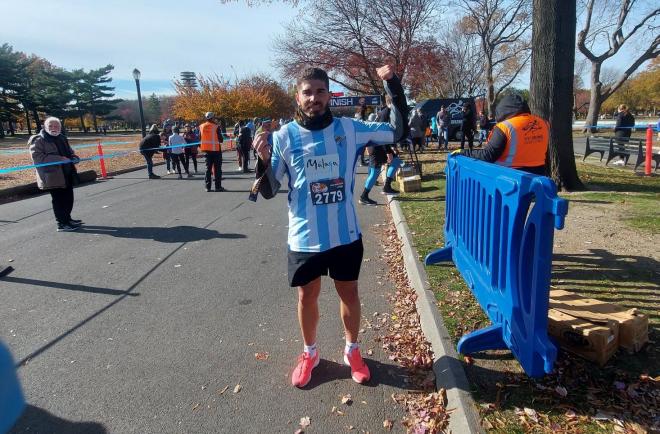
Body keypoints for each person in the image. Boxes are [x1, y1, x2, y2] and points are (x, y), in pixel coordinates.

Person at [252, 65, 408, 388]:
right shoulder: (285, 137)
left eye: (320, 91)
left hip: (344, 235)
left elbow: (398, 130)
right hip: (305, 238)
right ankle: (310, 353)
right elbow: (268, 190)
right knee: (306, 297)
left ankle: (353, 350)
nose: (314, 98)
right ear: (298, 96)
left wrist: (392, 83)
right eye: (307, 92)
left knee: (348, 292)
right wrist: (264, 160)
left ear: (329, 95)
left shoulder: (350, 129)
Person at [459, 94, 548, 175]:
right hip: (539, 175)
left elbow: (487, 155)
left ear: (503, 110)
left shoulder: (505, 127)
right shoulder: (544, 123)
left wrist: (463, 152)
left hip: (511, 178)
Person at [28, 117, 83, 232]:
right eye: (51, 126)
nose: (54, 128)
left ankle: (67, 219)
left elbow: (69, 152)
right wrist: (59, 158)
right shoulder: (38, 140)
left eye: (56, 126)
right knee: (59, 200)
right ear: (45, 127)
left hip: (67, 173)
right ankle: (62, 224)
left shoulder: (62, 137)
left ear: (60, 127)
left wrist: (73, 157)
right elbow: (38, 158)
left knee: (68, 199)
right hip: (52, 176)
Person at [359, 96, 403, 205]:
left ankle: (387, 186)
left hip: (383, 146)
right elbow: (381, 135)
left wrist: (392, 147)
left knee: (396, 161)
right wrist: (388, 152)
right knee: (375, 172)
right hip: (378, 147)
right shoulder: (385, 113)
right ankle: (364, 196)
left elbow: (389, 132)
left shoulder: (389, 112)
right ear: (391, 102)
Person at [200, 112, 225, 192]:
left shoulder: (201, 126)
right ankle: (218, 187)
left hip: (206, 150)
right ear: (212, 118)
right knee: (217, 169)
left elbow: (200, 138)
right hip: (216, 150)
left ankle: (207, 187)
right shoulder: (216, 127)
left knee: (208, 169)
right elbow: (221, 139)